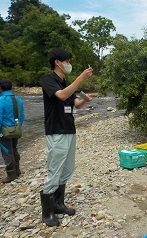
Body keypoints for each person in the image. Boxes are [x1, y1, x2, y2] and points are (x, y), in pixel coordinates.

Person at [40, 48, 93, 227]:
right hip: (56, 131)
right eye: (67, 61)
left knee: (67, 169)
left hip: (69, 130)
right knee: (55, 169)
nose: (69, 64)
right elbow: (61, 96)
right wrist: (80, 79)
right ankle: (47, 213)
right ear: (58, 62)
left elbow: (74, 104)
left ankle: (58, 204)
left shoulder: (66, 82)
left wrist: (85, 100)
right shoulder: (49, 79)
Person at [0, 78, 25, 183]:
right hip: (17, 128)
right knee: (14, 148)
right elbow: (22, 115)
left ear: (0, 88)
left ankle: (11, 174)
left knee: (7, 152)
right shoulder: (18, 99)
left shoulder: (1, 100)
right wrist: (18, 125)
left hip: (4, 131)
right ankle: (17, 170)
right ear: (12, 87)